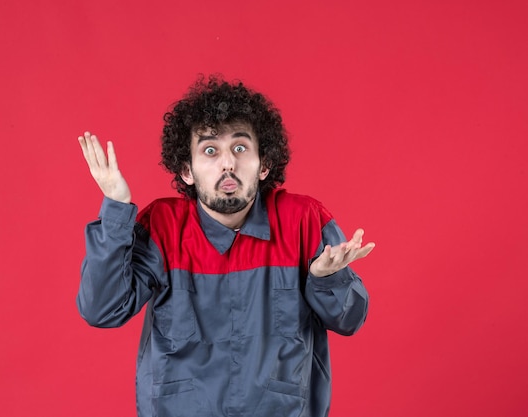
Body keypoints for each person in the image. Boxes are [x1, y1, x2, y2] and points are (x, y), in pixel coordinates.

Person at [76, 75, 375, 417]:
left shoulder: (304, 220)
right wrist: (116, 207)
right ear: (187, 170)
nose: (227, 163)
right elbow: (102, 309)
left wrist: (326, 280)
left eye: (239, 147)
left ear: (263, 165)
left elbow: (350, 320)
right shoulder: (162, 226)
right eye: (210, 150)